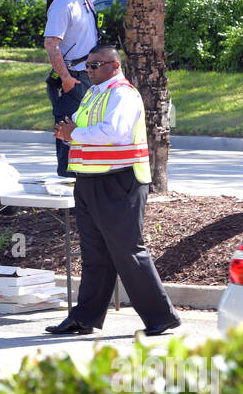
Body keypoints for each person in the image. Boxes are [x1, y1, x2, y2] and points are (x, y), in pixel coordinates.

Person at [47, 45, 182, 338]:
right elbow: (84, 132)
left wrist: (75, 134)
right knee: (94, 253)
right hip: (89, 181)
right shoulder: (94, 94)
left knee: (127, 250)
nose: (89, 70)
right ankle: (84, 318)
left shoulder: (122, 94)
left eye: (95, 65)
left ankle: (162, 316)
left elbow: (116, 134)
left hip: (119, 182)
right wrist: (68, 135)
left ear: (114, 65)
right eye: (87, 66)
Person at [44, 0, 101, 177]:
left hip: (88, 77)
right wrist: (66, 78)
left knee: (85, 133)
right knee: (67, 136)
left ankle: (84, 195)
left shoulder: (86, 2)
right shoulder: (62, 5)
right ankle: (67, 198)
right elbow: (51, 44)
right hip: (72, 79)